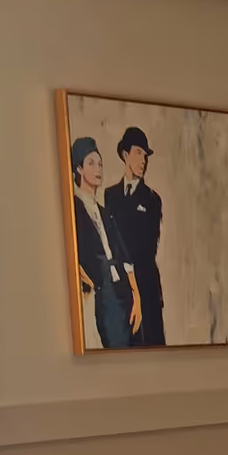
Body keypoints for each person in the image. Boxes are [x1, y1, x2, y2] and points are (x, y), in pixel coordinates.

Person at [70, 136, 140, 349]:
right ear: (79, 168)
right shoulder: (74, 210)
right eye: (91, 163)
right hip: (101, 296)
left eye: (100, 163)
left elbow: (125, 257)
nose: (98, 168)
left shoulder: (105, 212)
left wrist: (136, 297)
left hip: (122, 294)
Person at [102, 125, 165, 346]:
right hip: (120, 291)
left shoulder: (152, 200)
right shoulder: (110, 196)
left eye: (146, 155)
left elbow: (148, 248)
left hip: (145, 287)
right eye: (138, 152)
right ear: (125, 154)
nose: (143, 160)